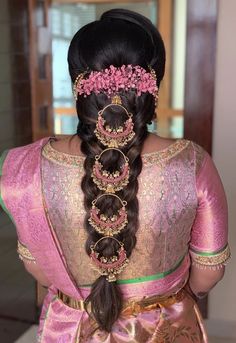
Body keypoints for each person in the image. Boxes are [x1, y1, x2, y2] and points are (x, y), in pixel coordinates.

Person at [0, 9, 230, 343]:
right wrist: (169, 297)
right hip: (163, 327)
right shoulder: (192, 163)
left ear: (79, 86)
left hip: (71, 328)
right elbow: (210, 271)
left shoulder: (22, 169)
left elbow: (39, 269)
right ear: (152, 87)